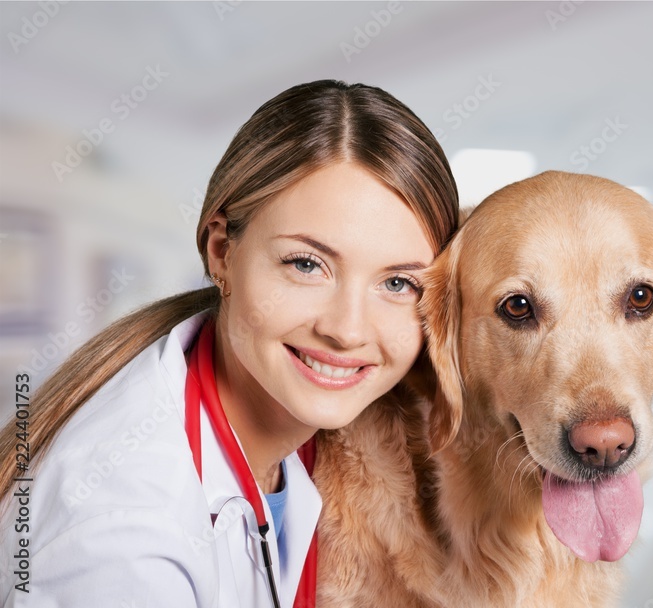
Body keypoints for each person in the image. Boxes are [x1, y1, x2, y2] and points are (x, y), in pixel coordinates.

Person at [0, 80, 460, 607]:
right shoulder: (125, 542)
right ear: (221, 252)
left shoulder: (305, 431)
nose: (348, 330)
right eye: (306, 264)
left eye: (398, 283)